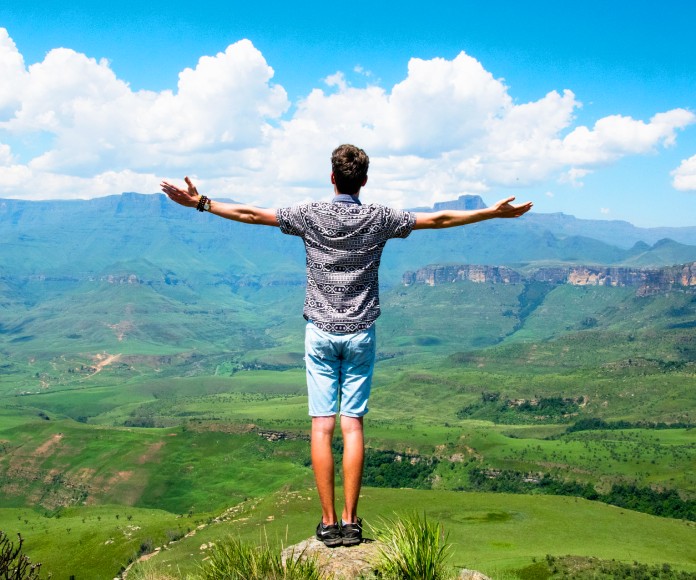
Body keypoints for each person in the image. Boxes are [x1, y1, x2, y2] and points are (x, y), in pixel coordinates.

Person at [161, 144, 532, 548]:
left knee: (322, 427)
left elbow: (251, 214)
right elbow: (439, 218)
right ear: (364, 181)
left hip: (319, 333)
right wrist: (492, 213)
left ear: (332, 177)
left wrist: (201, 202)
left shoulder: (310, 214)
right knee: (352, 425)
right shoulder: (380, 218)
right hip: (360, 334)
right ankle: (352, 523)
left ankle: (327, 523)